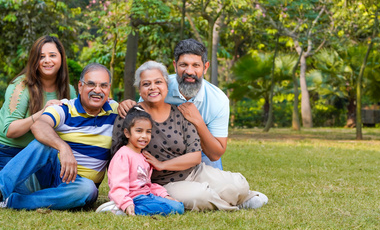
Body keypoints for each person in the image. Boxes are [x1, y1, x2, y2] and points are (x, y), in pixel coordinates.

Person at [0, 63, 118, 214]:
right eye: (91, 84)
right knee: (43, 144)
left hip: (79, 187)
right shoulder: (65, 108)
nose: (97, 90)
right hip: (53, 173)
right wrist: (64, 147)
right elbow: (39, 125)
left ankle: (9, 201)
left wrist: (130, 104)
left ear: (109, 88)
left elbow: (139, 116)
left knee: (87, 189)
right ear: (80, 86)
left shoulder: (116, 110)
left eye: (103, 86)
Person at [113, 61, 267, 211]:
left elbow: (195, 156)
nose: (153, 87)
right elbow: (117, 157)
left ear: (166, 85)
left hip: (194, 171)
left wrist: (162, 164)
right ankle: (237, 204)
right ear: (139, 90)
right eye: (146, 84)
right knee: (201, 196)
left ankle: (241, 195)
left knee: (239, 185)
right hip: (162, 183)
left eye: (158, 82)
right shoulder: (130, 115)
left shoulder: (181, 113)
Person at [0, 35, 76, 193]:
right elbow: (10, 130)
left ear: (62, 58)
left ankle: (15, 175)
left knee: (56, 187)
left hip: (38, 151)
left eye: (52, 55)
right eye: (41, 57)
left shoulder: (69, 90)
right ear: (35, 61)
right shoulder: (21, 86)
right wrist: (42, 113)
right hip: (3, 148)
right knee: (24, 194)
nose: (47, 60)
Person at [119, 39, 227, 170]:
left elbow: (215, 154)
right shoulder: (158, 86)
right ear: (175, 66)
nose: (189, 71)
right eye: (184, 65)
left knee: (218, 185)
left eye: (196, 65)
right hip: (162, 148)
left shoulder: (218, 100)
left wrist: (198, 121)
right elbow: (139, 117)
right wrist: (128, 105)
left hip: (200, 150)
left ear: (205, 67)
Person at [96, 107, 184, 216]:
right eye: (139, 131)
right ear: (127, 133)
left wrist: (164, 195)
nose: (144, 136)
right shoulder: (123, 155)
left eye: (148, 132)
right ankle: (121, 209)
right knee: (172, 208)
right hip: (133, 198)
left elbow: (146, 184)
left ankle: (127, 209)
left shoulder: (143, 156)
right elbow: (118, 185)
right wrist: (126, 203)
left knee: (178, 206)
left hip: (146, 196)